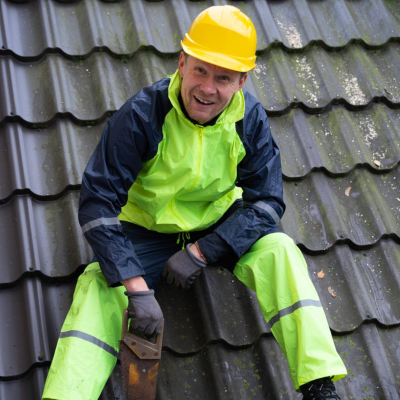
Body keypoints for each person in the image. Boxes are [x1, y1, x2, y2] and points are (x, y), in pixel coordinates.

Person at [42, 5, 347, 400]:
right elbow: (98, 203)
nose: (207, 88)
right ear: (182, 63)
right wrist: (135, 288)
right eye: (200, 70)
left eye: (223, 78)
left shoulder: (247, 119)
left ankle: (319, 386)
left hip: (215, 225)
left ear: (241, 81)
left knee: (280, 250)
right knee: (99, 289)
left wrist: (204, 251)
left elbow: (267, 201)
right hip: (146, 232)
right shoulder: (141, 116)